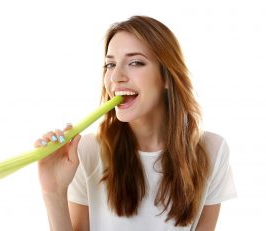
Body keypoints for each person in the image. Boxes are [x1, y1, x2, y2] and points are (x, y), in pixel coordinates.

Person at [35, 15, 237, 231]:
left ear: (167, 77)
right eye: (110, 64)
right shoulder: (85, 152)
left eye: (135, 62)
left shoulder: (213, 151)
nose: (115, 77)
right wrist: (53, 192)